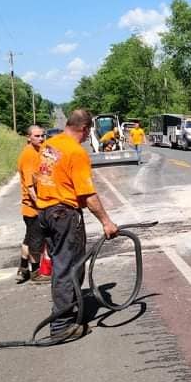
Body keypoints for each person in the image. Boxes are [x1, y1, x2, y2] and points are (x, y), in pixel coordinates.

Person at [36, 109, 119, 339]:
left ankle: (63, 316)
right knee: (69, 268)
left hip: (45, 212)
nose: (86, 136)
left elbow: (40, 178)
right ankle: (61, 325)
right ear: (84, 129)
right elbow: (88, 195)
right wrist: (106, 222)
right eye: (87, 132)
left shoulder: (48, 146)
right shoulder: (76, 152)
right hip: (64, 215)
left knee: (61, 267)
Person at [16, 125, 46, 283]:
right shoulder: (29, 155)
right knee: (36, 242)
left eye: (42, 135)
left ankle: (23, 269)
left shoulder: (37, 151)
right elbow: (29, 186)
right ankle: (36, 273)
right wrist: (39, 204)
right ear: (29, 137)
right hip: (32, 208)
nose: (41, 138)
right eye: (37, 136)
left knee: (29, 239)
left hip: (30, 208)